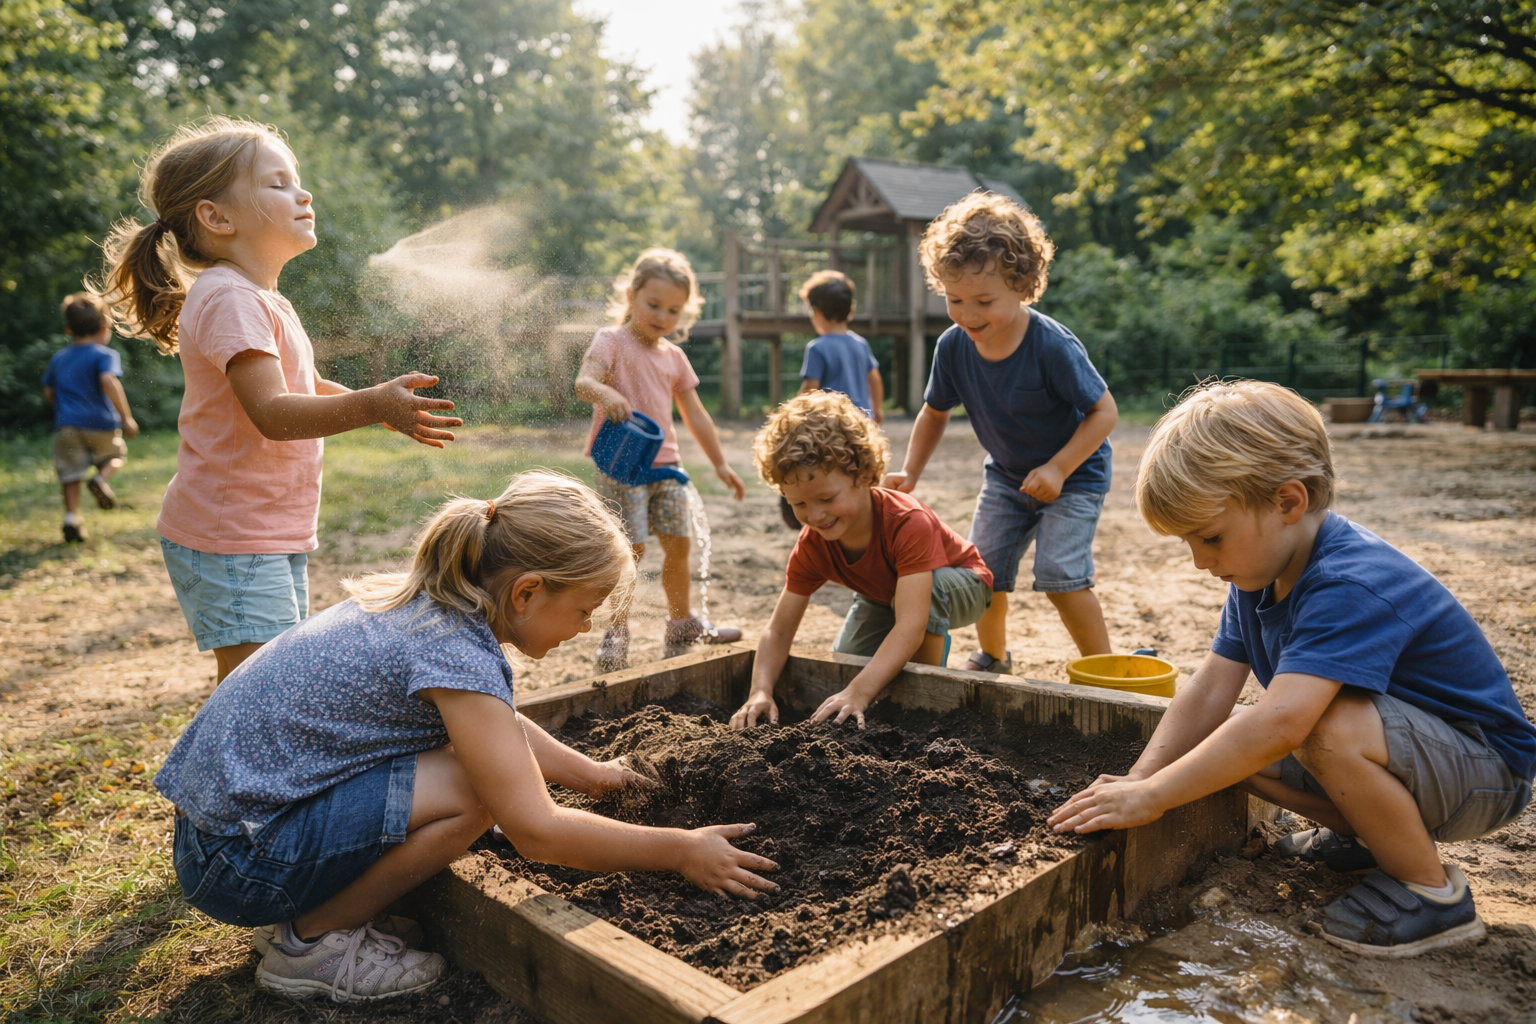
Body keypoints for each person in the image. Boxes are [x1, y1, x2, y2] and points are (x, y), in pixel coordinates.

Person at [155, 472, 779, 1003]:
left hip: (227, 831)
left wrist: (594, 776)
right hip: (238, 863)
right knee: (476, 794)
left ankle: (309, 914)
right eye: (584, 609)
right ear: (527, 591)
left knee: (468, 760)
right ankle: (311, 944)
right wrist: (680, 850)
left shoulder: (432, 610)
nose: (587, 627)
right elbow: (537, 832)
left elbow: (499, 726)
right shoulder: (454, 651)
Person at [1048, 381, 1536, 958]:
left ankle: (1432, 893)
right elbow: (1210, 689)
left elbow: (1284, 723)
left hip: (1484, 771)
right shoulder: (1259, 575)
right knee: (1227, 749)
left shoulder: (1347, 580)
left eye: (1210, 537)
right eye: (1189, 543)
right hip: (1417, 759)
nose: (1201, 561)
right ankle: (1370, 838)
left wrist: (1156, 797)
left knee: (1318, 725)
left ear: (1287, 502)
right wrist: (1142, 778)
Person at [96, 116, 461, 683]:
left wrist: (378, 410)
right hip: (231, 534)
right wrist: (370, 404)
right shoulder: (230, 298)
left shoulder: (259, 297)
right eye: (278, 183)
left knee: (268, 682)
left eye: (297, 181)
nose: (304, 193)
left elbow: (302, 387)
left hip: (261, 529)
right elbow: (272, 413)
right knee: (258, 687)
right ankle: (231, 749)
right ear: (217, 218)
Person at [883, 192, 1117, 675]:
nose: (968, 314)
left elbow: (1104, 412)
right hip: (1007, 479)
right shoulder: (953, 348)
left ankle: (1104, 671)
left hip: (1074, 477)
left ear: (1023, 285)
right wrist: (911, 471)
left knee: (1060, 575)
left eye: (984, 301)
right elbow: (934, 412)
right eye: (955, 300)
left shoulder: (1051, 346)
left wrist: (1059, 468)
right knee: (983, 573)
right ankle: (993, 657)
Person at [730, 391, 993, 730]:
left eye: (827, 498)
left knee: (913, 622)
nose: (815, 516)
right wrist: (760, 690)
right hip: (884, 596)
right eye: (799, 505)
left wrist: (859, 693)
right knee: (849, 660)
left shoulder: (908, 521)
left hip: (964, 584)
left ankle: (928, 696)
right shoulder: (813, 543)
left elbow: (911, 625)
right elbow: (778, 629)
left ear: (865, 475)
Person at [574, 248, 747, 671]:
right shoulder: (610, 341)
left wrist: (720, 464)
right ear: (631, 295)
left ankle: (681, 623)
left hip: (667, 465)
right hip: (621, 465)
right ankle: (617, 630)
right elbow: (584, 382)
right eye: (654, 304)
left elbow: (697, 415)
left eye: (674, 310)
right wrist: (606, 393)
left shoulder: (674, 357)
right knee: (628, 550)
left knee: (679, 543)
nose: (663, 316)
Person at [776, 270, 884, 530]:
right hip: (860, 423)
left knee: (829, 475)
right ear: (850, 310)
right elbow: (874, 378)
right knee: (859, 473)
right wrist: (877, 409)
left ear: (817, 311)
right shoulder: (860, 344)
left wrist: (793, 417)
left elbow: (810, 388)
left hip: (830, 428)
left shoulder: (818, 347)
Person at [41, 293, 139, 543]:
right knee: (115, 456)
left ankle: (71, 518)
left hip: (67, 426)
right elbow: (108, 381)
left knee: (70, 473)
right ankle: (99, 478)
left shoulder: (59, 358)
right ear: (105, 328)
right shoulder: (104, 355)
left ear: (69, 329)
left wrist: (66, 407)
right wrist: (126, 417)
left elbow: (48, 392)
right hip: (101, 423)